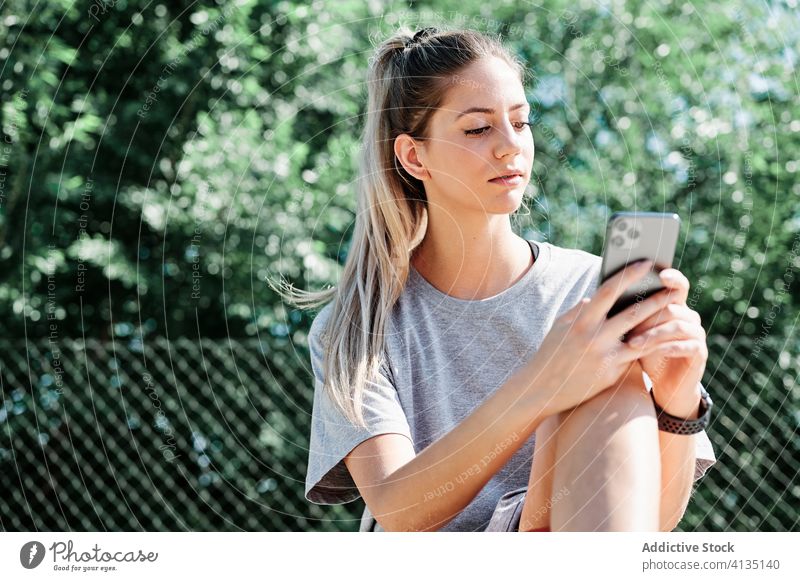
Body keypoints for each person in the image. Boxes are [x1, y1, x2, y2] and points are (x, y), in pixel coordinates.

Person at [275, 26, 716, 532]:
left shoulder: (592, 289)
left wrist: (678, 399)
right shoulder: (357, 328)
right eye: (478, 129)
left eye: (521, 122)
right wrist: (546, 381)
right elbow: (397, 509)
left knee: (611, 387)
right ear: (413, 156)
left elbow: (651, 520)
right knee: (592, 377)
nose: (511, 147)